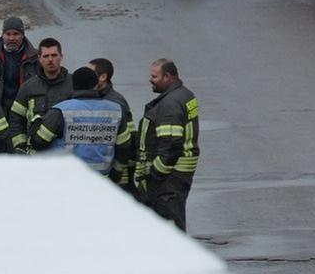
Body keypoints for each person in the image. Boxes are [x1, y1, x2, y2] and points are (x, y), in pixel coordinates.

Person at [30, 67, 128, 177]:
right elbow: (124, 147)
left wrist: (36, 122)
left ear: (73, 86)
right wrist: (117, 173)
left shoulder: (61, 110)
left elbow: (39, 142)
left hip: (67, 179)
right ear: (96, 85)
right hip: (101, 181)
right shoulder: (115, 110)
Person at [140, 58, 200, 229]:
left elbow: (171, 145)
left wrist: (155, 173)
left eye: (155, 76)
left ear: (168, 77)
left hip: (170, 177)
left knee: (170, 221)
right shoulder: (185, 94)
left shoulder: (169, 105)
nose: (150, 79)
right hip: (180, 173)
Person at [10, 38, 75, 148]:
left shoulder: (74, 84)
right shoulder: (28, 87)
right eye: (46, 56)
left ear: (61, 56)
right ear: (39, 59)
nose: (50, 60)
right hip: (36, 153)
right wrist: (21, 145)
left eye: (54, 55)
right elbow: (16, 118)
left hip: (66, 154)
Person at [90, 57, 140, 196]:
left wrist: (116, 172)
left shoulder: (115, 102)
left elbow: (128, 140)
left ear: (103, 77)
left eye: (90, 73)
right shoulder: (98, 97)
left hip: (117, 175)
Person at [0, 17, 39, 113]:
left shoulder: (35, 59)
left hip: (24, 113)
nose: (11, 38)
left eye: (16, 34)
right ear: (2, 35)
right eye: (8, 34)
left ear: (23, 35)